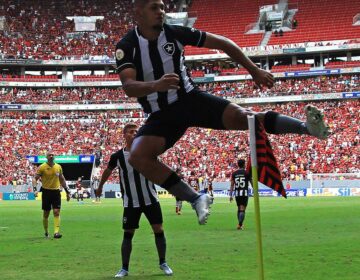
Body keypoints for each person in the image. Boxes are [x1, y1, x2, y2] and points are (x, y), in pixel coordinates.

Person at [115, 0, 329, 226]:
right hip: (162, 114)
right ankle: (196, 198)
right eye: (154, 8)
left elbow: (224, 43)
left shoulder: (174, 33)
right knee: (138, 156)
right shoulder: (127, 45)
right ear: (138, 13)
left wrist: (253, 69)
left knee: (247, 118)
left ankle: (306, 128)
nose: (161, 12)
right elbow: (128, 86)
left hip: (190, 100)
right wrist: (155, 85)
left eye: (162, 7)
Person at [96, 123, 173, 278]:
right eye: (131, 132)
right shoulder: (117, 157)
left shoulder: (147, 152)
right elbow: (108, 170)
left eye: (136, 132)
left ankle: (163, 263)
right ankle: (124, 268)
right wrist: (100, 186)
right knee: (128, 234)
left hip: (151, 199)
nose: (134, 133)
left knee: (159, 230)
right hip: (131, 202)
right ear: (124, 135)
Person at [32, 151, 70, 239]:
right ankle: (46, 232)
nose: (51, 156)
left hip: (56, 192)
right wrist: (35, 190)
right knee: (46, 214)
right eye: (49, 155)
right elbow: (35, 179)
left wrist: (67, 192)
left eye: (53, 155)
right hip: (46, 192)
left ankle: (56, 233)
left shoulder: (58, 167)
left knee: (56, 212)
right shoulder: (42, 167)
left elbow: (62, 180)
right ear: (46, 157)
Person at [230, 159, 251, 230]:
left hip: (237, 194)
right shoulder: (246, 173)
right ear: (244, 164)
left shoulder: (234, 173)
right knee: (242, 209)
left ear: (238, 165)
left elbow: (232, 185)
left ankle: (240, 224)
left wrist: (230, 195)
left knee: (239, 208)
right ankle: (240, 224)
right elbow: (252, 182)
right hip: (244, 193)